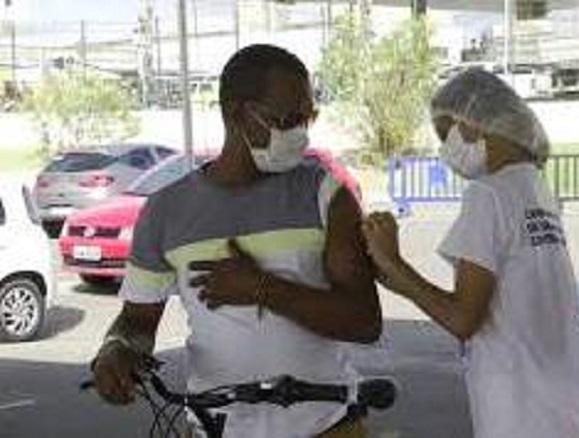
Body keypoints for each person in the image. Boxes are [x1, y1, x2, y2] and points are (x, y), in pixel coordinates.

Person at [91, 44, 382, 438]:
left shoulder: (327, 196)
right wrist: (116, 348)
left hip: (328, 427)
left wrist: (262, 288)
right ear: (237, 113)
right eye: (287, 119)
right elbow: (137, 322)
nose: (300, 132)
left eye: (308, 117)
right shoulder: (166, 211)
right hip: (215, 429)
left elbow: (364, 321)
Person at [362, 68, 579, 438]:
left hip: (522, 415)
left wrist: (394, 261)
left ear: (473, 123)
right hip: (569, 409)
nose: (445, 150)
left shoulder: (487, 195)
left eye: (445, 134)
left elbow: (463, 319)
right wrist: (398, 279)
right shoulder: (534, 187)